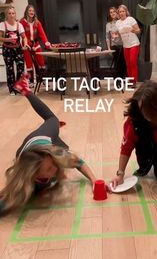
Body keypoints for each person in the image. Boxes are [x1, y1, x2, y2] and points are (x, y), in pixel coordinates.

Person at [0, 74, 97, 215]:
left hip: (41, 138)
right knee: (62, 147)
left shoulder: (53, 156)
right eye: (49, 168)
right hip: (30, 148)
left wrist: (94, 180)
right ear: (33, 175)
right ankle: (56, 136)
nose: (54, 169)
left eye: (52, 164)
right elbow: (6, 201)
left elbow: (79, 162)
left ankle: (25, 90)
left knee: (52, 119)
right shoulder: (23, 183)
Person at [20, 5, 52, 87]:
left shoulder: (37, 22)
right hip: (26, 45)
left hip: (36, 44)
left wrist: (47, 43)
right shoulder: (22, 22)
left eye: (33, 11)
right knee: (29, 63)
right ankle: (30, 81)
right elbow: (22, 35)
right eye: (30, 10)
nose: (31, 12)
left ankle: (44, 80)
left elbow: (42, 34)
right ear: (26, 11)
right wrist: (28, 44)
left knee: (41, 62)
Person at [0, 6, 28, 95]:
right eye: (9, 13)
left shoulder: (19, 25)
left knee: (21, 68)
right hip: (7, 50)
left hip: (18, 49)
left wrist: (25, 44)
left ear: (15, 14)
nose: (11, 15)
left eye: (13, 13)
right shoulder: (2, 24)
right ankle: (11, 89)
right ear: (6, 15)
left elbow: (24, 37)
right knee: (10, 69)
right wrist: (8, 40)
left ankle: (18, 87)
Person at [116, 5, 140, 87]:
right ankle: (130, 80)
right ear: (118, 13)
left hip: (134, 43)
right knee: (128, 64)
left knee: (133, 62)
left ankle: (134, 81)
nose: (122, 13)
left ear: (126, 12)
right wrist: (116, 35)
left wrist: (132, 30)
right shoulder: (118, 22)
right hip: (125, 45)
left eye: (123, 11)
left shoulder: (131, 19)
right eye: (120, 12)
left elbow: (138, 30)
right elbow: (119, 34)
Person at [105, 6, 126, 79]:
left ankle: (123, 78)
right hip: (114, 45)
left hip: (123, 45)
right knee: (117, 63)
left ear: (116, 13)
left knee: (123, 62)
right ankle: (117, 79)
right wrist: (108, 48)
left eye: (114, 12)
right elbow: (107, 37)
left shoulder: (121, 22)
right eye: (111, 12)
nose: (112, 13)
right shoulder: (108, 25)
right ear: (109, 14)